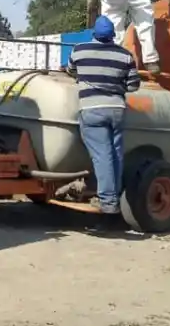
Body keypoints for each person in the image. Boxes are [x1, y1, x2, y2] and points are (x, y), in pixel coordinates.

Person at [66, 14, 141, 221]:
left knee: (103, 156)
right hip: (117, 110)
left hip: (92, 110)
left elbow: (71, 71)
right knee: (116, 155)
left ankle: (108, 202)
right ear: (112, 36)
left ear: (94, 33)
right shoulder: (125, 55)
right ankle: (113, 196)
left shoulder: (79, 50)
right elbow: (134, 85)